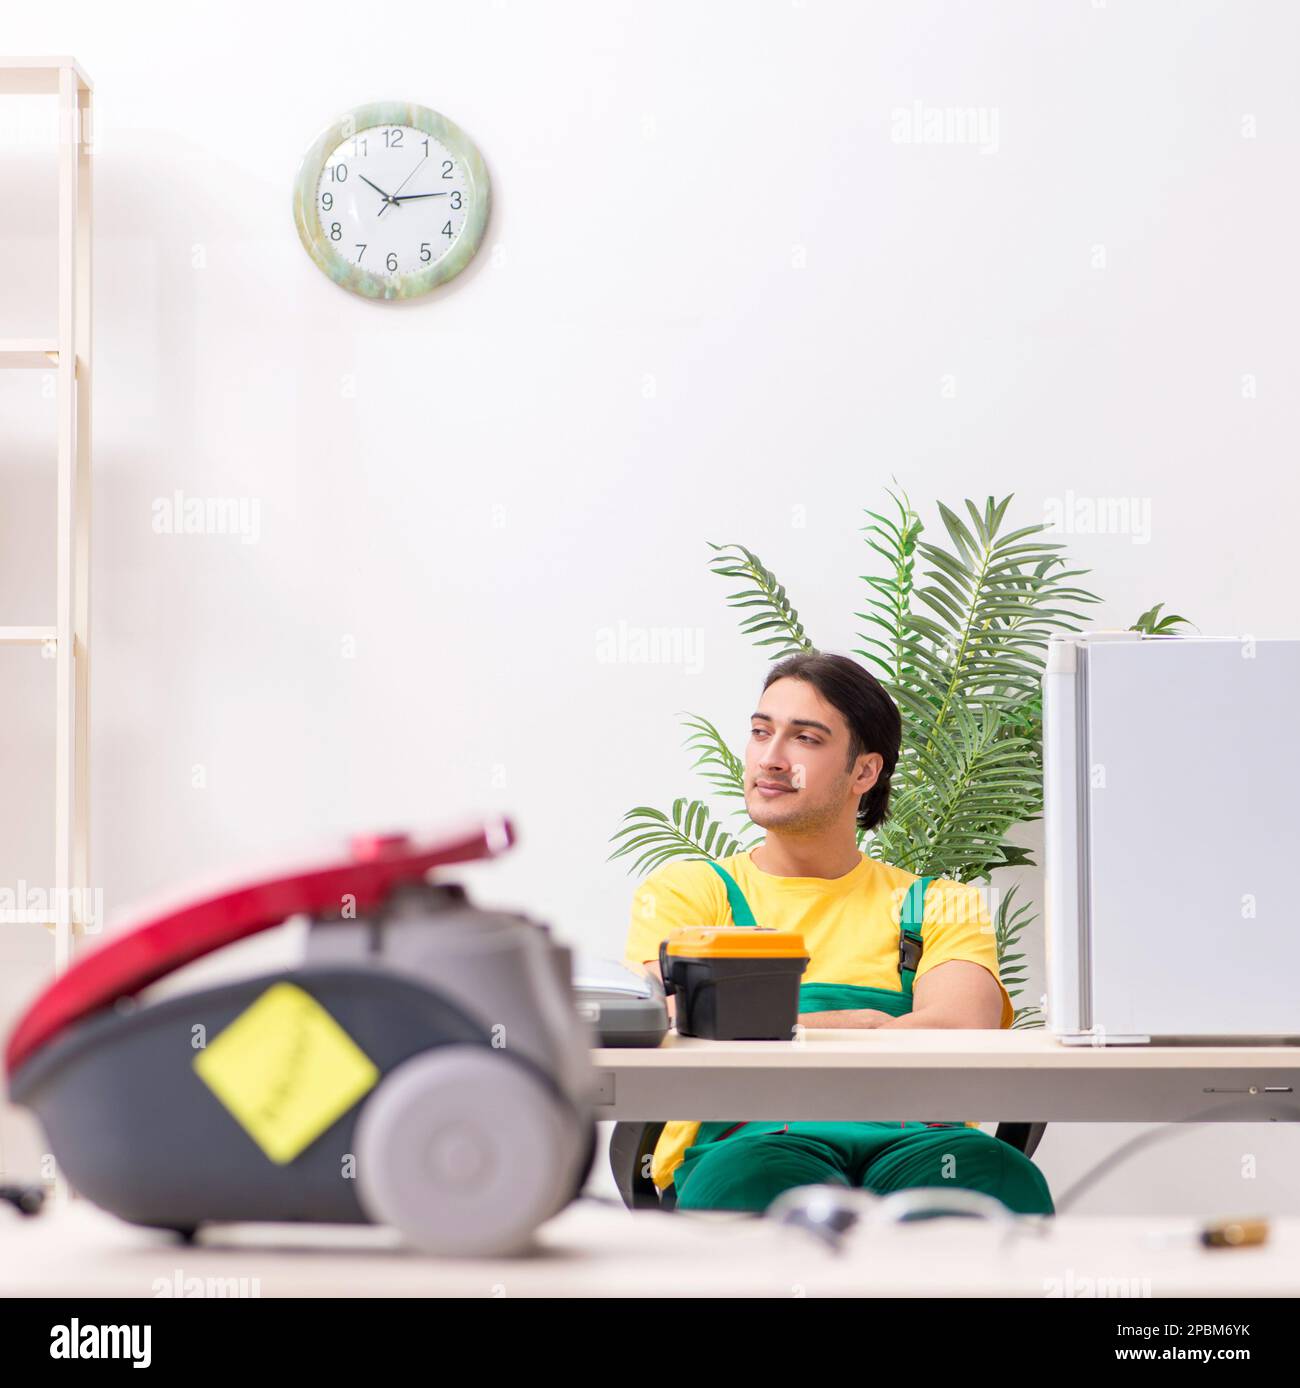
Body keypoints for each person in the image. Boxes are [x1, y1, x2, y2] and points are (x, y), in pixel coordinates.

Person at [622, 650, 1054, 1216]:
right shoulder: (691, 892)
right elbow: (677, 1022)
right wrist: (875, 1024)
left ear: (865, 772)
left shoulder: (942, 903)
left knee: (994, 1177)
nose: (770, 759)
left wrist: (771, 1023)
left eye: (805, 739)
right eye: (760, 732)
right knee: (753, 1184)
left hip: (924, 1139)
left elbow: (958, 1029)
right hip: (746, 1140)